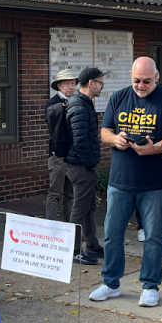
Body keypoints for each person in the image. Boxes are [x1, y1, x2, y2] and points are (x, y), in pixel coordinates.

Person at [89, 57, 162, 308]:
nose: (141, 86)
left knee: (154, 236)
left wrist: (157, 148)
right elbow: (105, 131)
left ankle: (150, 286)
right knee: (112, 234)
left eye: (146, 81)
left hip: (154, 181)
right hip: (120, 179)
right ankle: (111, 283)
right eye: (136, 81)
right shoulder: (119, 97)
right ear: (130, 76)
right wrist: (115, 140)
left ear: (157, 77)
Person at [64, 67, 105, 264]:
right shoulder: (79, 106)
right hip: (80, 167)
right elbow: (80, 141)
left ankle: (92, 245)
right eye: (100, 82)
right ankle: (73, 252)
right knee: (79, 209)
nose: (101, 86)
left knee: (88, 207)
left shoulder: (83, 103)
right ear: (91, 83)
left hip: (82, 166)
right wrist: (90, 163)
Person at [45, 69, 78, 222]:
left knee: (70, 194)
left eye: (72, 83)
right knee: (55, 193)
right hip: (58, 156)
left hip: (72, 156)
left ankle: (69, 228)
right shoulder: (53, 104)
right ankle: (50, 227)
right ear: (59, 86)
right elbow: (56, 133)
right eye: (66, 84)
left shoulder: (77, 101)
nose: (70, 87)